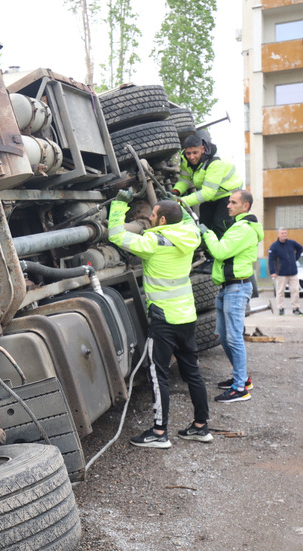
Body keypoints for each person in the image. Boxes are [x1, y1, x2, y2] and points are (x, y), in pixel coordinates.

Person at [108, 192, 212, 448]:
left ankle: (159, 432)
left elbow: (116, 235)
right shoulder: (191, 234)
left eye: (152, 215)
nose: (149, 218)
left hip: (164, 318)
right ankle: (201, 427)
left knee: (158, 374)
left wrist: (120, 204)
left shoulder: (152, 242)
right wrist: (178, 204)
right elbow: (187, 218)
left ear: (162, 219)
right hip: (186, 315)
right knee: (193, 372)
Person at [199, 189, 263, 403]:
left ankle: (240, 389)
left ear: (245, 206)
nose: (228, 205)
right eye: (229, 202)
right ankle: (242, 378)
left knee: (234, 338)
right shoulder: (238, 226)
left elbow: (220, 252)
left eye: (233, 202)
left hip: (236, 288)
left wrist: (206, 232)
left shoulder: (243, 229)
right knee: (224, 336)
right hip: (228, 288)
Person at [173, 134, 243, 239]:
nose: (191, 157)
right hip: (210, 195)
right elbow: (185, 179)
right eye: (188, 153)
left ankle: (224, 255)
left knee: (220, 225)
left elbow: (207, 193)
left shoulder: (215, 163)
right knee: (204, 226)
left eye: (195, 153)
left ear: (203, 149)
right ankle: (208, 254)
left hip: (228, 195)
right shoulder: (184, 159)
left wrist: (180, 202)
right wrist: (176, 192)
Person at [268, 228, 303, 316]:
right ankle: (281, 308)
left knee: (295, 290)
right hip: (281, 273)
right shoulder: (274, 246)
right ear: (278, 234)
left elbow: (300, 248)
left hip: (293, 272)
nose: (284, 234)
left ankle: (295, 308)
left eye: (285, 233)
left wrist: (296, 257)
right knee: (280, 292)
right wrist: (273, 271)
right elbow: (271, 260)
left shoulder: (291, 243)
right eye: (282, 233)